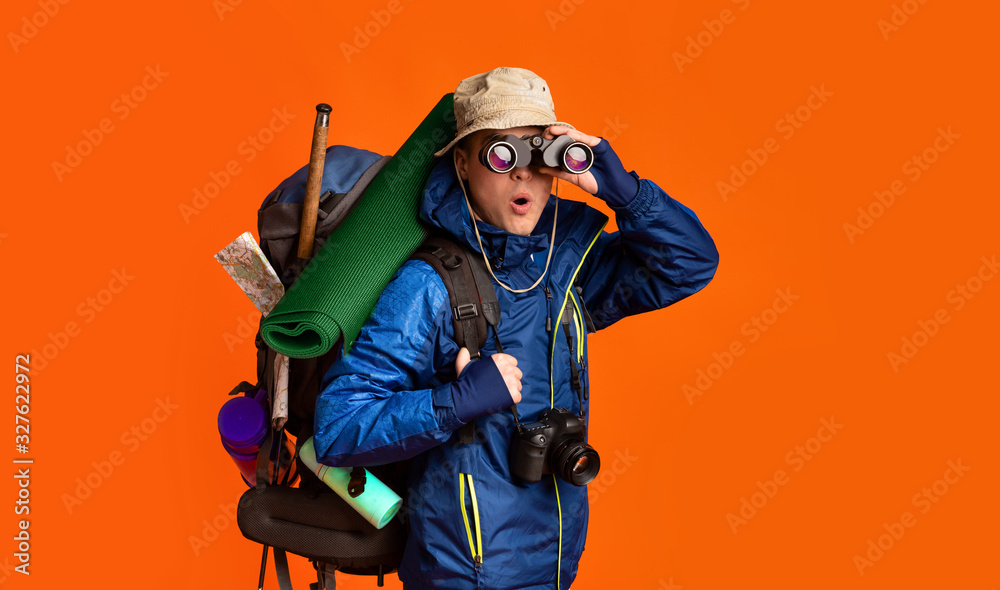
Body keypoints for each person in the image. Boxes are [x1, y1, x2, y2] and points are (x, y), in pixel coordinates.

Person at [313, 66, 719, 590]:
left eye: (537, 154)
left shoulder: (566, 267)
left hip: (554, 565)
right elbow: (338, 428)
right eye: (501, 155)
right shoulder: (430, 285)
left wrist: (626, 192)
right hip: (461, 574)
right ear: (462, 163)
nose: (522, 174)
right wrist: (456, 401)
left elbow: (688, 264)